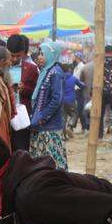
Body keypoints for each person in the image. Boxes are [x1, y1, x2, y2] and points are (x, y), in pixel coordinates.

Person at [29, 42, 67, 170]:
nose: (39, 57)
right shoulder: (46, 71)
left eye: (42, 54)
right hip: (41, 126)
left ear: (51, 55)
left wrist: (43, 116)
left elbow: (57, 99)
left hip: (49, 127)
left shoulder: (55, 72)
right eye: (39, 53)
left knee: (52, 163)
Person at [6, 34, 38, 152]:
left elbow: (36, 93)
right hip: (4, 115)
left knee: (21, 150)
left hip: (22, 116)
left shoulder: (31, 69)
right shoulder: (1, 67)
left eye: (18, 56)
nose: (14, 59)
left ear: (23, 53)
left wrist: (25, 89)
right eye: (12, 55)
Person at [61, 63, 85, 137]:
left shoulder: (60, 78)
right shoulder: (73, 78)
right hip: (71, 100)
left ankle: (63, 134)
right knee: (74, 114)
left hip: (62, 100)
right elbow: (81, 85)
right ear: (69, 69)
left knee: (63, 117)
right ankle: (70, 125)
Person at [75, 55, 93, 132]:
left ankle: (86, 127)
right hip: (97, 93)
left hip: (85, 92)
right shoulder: (101, 66)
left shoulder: (84, 67)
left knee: (85, 109)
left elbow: (81, 81)